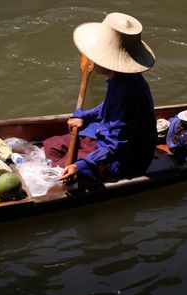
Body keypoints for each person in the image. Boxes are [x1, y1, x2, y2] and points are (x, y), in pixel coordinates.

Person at [43, 12, 157, 184]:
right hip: (102, 134)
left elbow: (115, 146)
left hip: (124, 157)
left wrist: (80, 165)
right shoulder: (118, 78)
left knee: (59, 171)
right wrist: (85, 116)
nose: (91, 60)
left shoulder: (129, 92)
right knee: (50, 145)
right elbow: (108, 105)